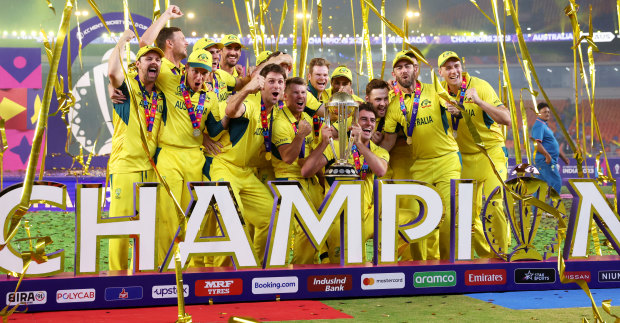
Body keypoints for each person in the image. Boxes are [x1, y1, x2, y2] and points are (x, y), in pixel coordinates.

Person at [381, 50, 461, 261]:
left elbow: (452, 106)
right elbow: (389, 140)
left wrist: (455, 109)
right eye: (399, 67)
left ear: (416, 69)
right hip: (419, 165)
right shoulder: (392, 103)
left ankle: (449, 265)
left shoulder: (434, 89)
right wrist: (371, 155)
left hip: (447, 160)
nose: (404, 70)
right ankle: (417, 266)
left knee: (449, 215)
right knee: (420, 219)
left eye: (407, 66)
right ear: (394, 73)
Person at [211, 64, 288, 266]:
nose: (276, 86)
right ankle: (221, 278)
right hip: (224, 167)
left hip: (246, 174)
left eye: (280, 82)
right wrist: (246, 89)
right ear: (261, 85)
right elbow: (230, 109)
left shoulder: (276, 113)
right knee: (232, 217)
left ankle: (258, 270)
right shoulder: (252, 103)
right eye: (271, 81)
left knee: (272, 215)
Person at [438, 50, 512, 257]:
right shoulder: (439, 94)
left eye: (456, 66)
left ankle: (500, 255)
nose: (454, 71)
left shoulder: (480, 86)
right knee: (466, 215)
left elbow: (507, 119)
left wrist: (479, 101)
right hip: (464, 158)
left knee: (495, 205)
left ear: (462, 67)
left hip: (491, 154)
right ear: (440, 72)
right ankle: (485, 255)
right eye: (448, 67)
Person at [107, 31, 166, 271]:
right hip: (126, 167)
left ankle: (140, 274)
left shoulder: (160, 96)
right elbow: (112, 72)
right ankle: (116, 275)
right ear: (137, 64)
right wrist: (122, 41)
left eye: (158, 59)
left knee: (147, 227)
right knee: (120, 228)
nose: (154, 62)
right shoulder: (128, 87)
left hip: (151, 170)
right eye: (148, 59)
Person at [301, 103, 389, 262]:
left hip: (367, 216)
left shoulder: (379, 151)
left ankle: (381, 265)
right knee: (345, 272)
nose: (369, 123)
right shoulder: (336, 145)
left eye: (372, 120)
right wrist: (323, 143)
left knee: (406, 218)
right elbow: (306, 171)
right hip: (339, 219)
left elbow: (380, 171)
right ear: (353, 123)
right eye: (363, 119)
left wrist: (359, 144)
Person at [271, 77, 326, 264]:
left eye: (303, 93)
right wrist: (300, 135)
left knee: (323, 224)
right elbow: (288, 157)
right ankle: (302, 270)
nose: (300, 96)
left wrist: (323, 180)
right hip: (288, 181)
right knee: (306, 229)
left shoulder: (308, 119)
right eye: (295, 93)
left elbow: (312, 156)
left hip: (310, 180)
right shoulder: (279, 121)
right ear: (285, 96)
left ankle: (312, 265)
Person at [532, 102, 570, 193]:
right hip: (545, 161)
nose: (547, 114)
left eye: (548, 112)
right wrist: (547, 155)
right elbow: (537, 143)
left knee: (540, 186)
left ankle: (536, 207)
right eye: (545, 112)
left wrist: (563, 157)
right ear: (538, 113)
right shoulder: (539, 125)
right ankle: (553, 205)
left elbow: (552, 145)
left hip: (543, 160)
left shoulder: (544, 125)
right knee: (556, 183)